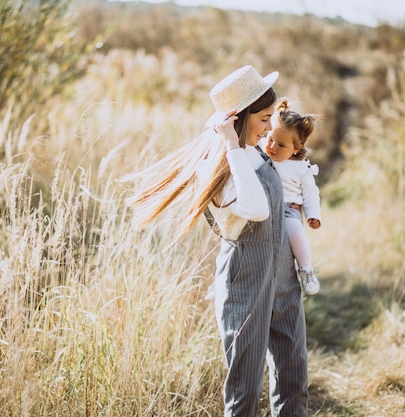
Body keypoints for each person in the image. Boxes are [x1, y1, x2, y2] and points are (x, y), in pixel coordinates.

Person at [126, 65, 308, 416]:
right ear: (238, 119)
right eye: (264, 119)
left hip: (282, 273)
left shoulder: (255, 151)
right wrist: (230, 144)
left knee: (293, 374)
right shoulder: (222, 165)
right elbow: (255, 210)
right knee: (245, 386)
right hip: (247, 278)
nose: (271, 128)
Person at [260, 98, 322, 295]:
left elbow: (311, 194)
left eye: (281, 145)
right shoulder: (261, 152)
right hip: (264, 206)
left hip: (288, 210)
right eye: (270, 140)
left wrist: (313, 215)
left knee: (295, 232)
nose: (273, 147)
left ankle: (306, 269)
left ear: (296, 148)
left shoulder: (302, 169)